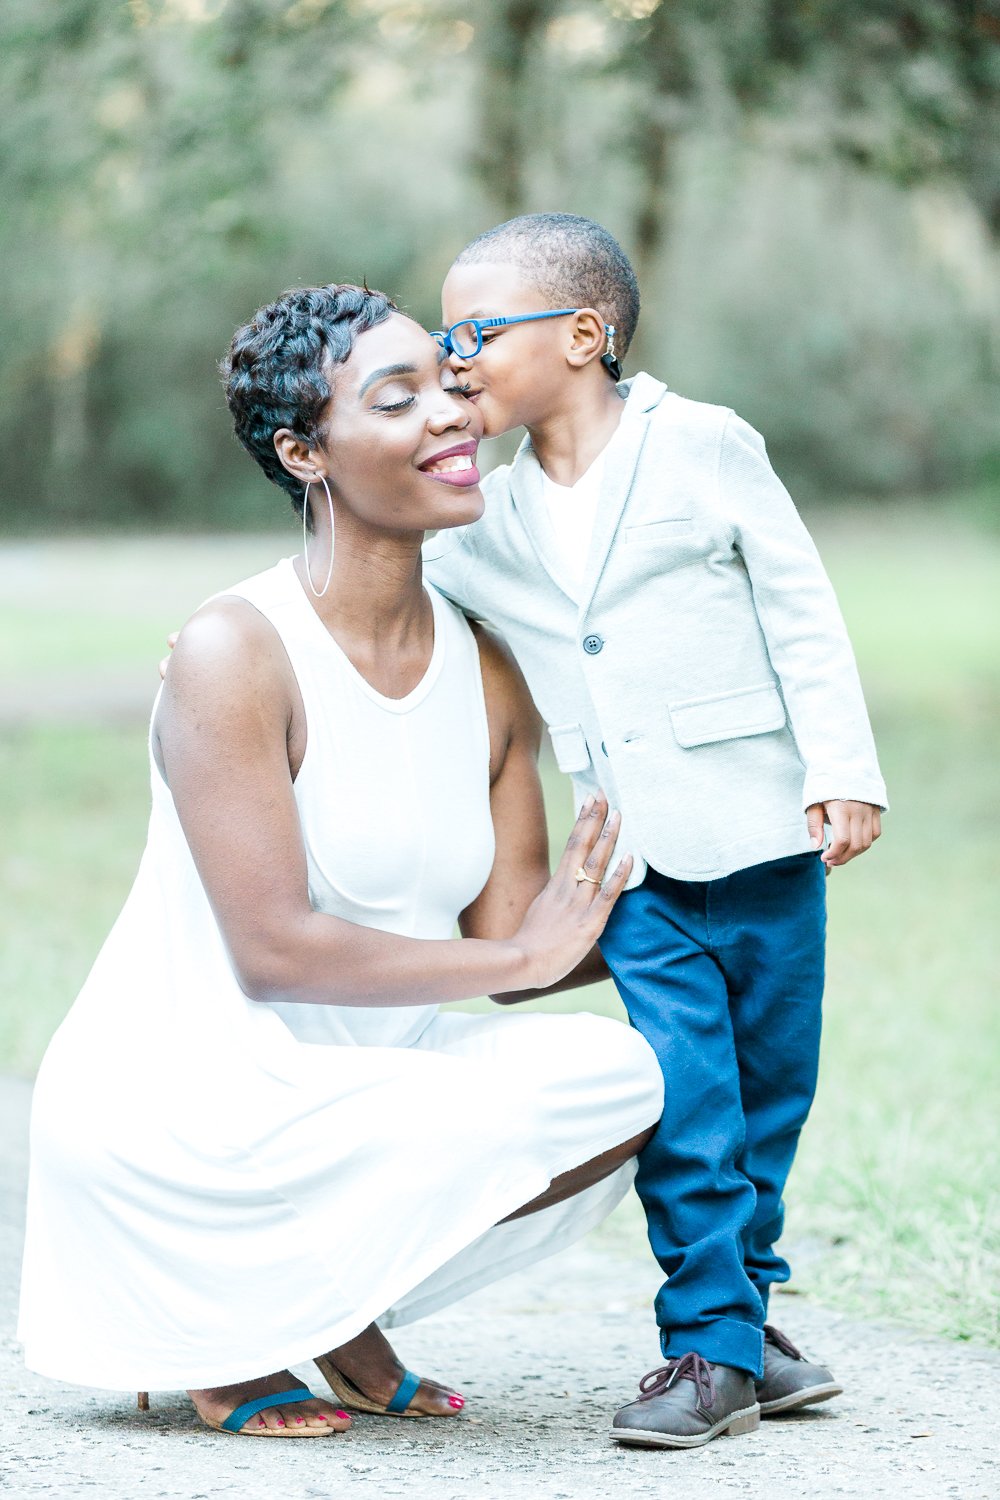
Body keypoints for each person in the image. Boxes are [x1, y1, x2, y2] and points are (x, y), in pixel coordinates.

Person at [17, 284, 664, 1439]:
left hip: (359, 1103)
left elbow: (514, 953)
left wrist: (730, 909)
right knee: (494, 1109)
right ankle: (228, 1324)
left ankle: (324, 1301)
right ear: (303, 450)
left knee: (622, 1081)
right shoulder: (234, 651)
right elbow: (274, 952)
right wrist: (521, 951)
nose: (451, 417)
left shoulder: (485, 668)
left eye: (451, 387)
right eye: (396, 397)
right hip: (186, 1119)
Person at [423, 213, 887, 1449]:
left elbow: (800, 605)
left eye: (475, 334)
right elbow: (374, 583)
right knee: (688, 1097)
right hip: (624, 855)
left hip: (764, 829)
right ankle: (704, 1345)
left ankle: (747, 1324)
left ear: (584, 335)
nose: (453, 359)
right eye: (441, 338)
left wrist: (843, 767)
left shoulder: (705, 446)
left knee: (770, 1092)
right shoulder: (481, 513)